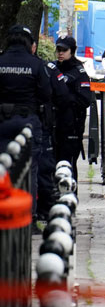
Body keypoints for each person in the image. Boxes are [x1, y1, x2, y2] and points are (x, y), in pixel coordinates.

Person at [0, 25, 51, 222]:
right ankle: (26, 218)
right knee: (29, 170)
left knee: (3, 168)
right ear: (29, 42)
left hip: (2, 122)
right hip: (27, 122)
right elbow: (46, 94)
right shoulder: (36, 65)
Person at [34, 41, 71, 220]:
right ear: (33, 47)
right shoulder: (44, 67)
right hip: (40, 126)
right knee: (42, 168)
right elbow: (62, 95)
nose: (60, 53)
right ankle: (43, 210)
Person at [53, 36, 93, 183]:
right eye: (58, 50)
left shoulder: (79, 72)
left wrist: (65, 98)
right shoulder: (52, 68)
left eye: (64, 50)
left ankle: (69, 196)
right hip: (53, 125)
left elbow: (84, 100)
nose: (60, 53)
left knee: (68, 164)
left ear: (72, 51)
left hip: (71, 127)